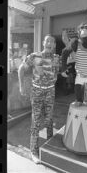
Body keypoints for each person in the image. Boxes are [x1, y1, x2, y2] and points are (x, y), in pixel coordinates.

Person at [18, 34, 59, 164]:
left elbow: (56, 74)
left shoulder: (56, 58)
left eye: (52, 42)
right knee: (36, 122)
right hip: (36, 91)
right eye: (47, 41)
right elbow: (20, 69)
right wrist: (21, 86)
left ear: (54, 45)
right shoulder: (34, 56)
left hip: (50, 91)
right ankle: (34, 152)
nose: (49, 43)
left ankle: (49, 146)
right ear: (43, 43)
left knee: (49, 119)